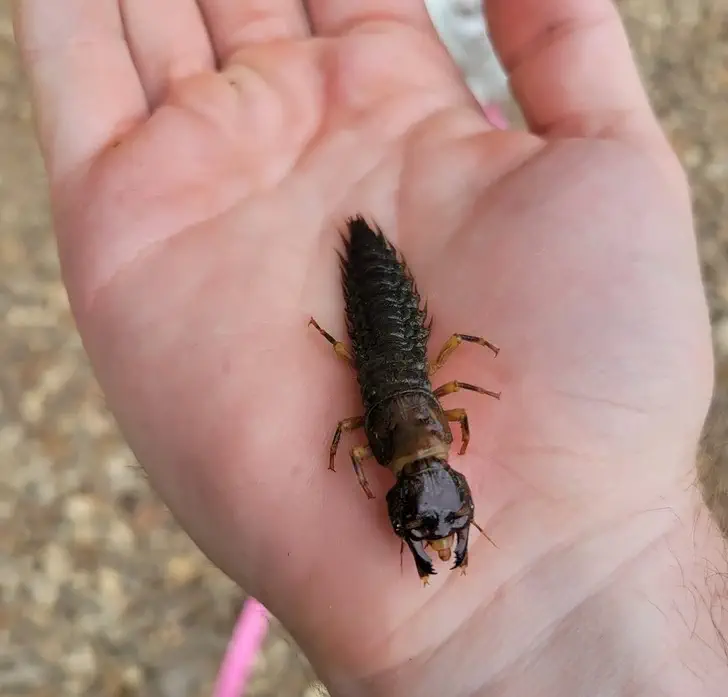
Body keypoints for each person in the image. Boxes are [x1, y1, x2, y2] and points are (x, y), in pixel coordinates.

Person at [14, 1, 728, 694]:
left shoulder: (403, 435)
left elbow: (364, 440)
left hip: (395, 346)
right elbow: (364, 440)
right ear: (447, 433)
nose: (442, 523)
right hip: (395, 334)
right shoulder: (406, 433)